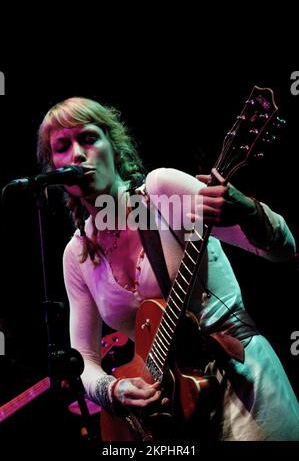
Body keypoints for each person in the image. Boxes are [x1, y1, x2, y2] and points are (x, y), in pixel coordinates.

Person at [37, 96, 299, 441]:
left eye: (88, 138)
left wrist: (248, 210)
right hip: (174, 415)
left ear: (113, 146)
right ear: (54, 168)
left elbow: (283, 251)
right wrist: (113, 391)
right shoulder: (79, 253)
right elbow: (83, 358)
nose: (77, 155)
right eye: (62, 146)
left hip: (242, 387)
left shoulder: (159, 195)